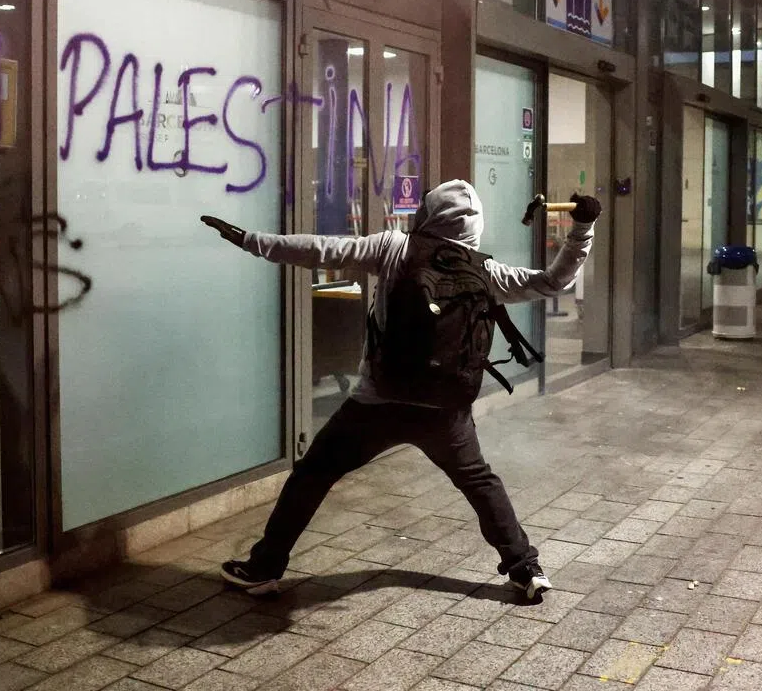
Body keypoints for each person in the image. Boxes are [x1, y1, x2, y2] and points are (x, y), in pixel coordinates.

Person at [200, 179, 602, 600]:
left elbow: (320, 249)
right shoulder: (486, 270)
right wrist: (583, 228)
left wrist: (251, 240)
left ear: (427, 214)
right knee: (479, 481)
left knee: (314, 474)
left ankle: (264, 567)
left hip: (378, 402)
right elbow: (553, 281)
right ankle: (525, 568)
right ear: (474, 226)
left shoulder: (394, 247)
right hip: (445, 409)